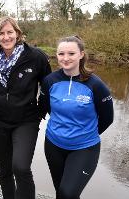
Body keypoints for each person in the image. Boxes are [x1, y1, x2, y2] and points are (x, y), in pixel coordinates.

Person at [0, 16, 51, 199]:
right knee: (4, 170)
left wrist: (40, 112)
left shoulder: (35, 56)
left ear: (18, 33)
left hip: (26, 121)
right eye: (1, 34)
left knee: (21, 167)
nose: (6, 37)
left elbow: (48, 87)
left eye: (9, 32)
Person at [39, 35, 114, 199]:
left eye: (71, 53)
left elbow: (107, 119)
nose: (65, 58)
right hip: (54, 145)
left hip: (84, 148)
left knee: (68, 193)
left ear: (81, 54)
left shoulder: (96, 85)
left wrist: (84, 134)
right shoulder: (50, 81)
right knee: (61, 191)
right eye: (61, 54)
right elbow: (45, 109)